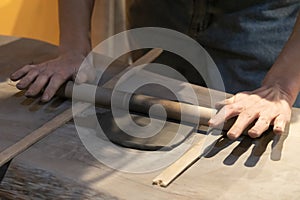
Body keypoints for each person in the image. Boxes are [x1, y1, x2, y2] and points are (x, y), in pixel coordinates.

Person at [10, 0, 300, 140]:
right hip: (162, 9)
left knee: (248, 131)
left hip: (259, 17)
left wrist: (282, 86)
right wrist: (73, 48)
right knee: (146, 121)